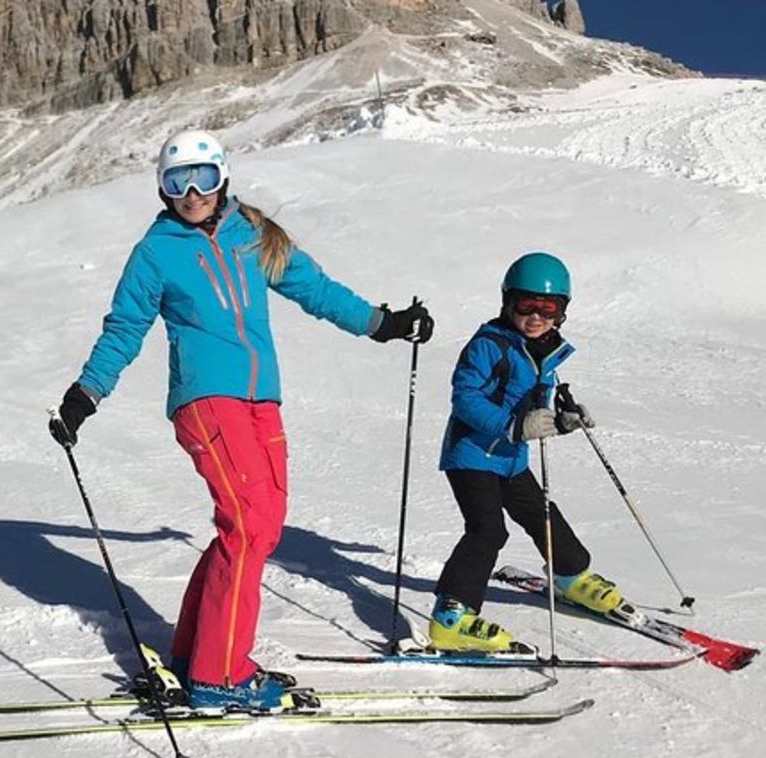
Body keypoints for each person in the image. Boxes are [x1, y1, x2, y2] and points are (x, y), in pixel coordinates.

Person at [49, 130, 432, 711]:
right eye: (178, 182)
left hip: (261, 402)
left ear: (223, 176)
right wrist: (86, 394)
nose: (192, 192)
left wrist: (383, 323)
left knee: (260, 526)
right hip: (207, 402)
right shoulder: (156, 252)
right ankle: (219, 675)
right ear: (162, 187)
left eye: (202, 177)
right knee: (250, 525)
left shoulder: (251, 235)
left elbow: (317, 291)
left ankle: (194, 652)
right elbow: (124, 329)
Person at [431, 252, 627, 652]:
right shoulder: (488, 345)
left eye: (548, 308)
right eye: (526, 305)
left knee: (541, 514)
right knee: (487, 529)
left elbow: (538, 401)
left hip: (510, 457)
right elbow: (464, 398)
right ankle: (451, 615)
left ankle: (570, 576)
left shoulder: (545, 351)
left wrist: (563, 418)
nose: (536, 316)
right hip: (472, 455)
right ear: (507, 301)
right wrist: (513, 426)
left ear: (562, 312)